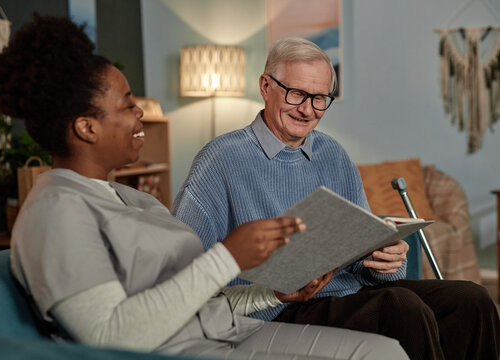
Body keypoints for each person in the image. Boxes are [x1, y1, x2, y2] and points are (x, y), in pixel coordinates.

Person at [0, 16, 409, 360]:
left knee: (391, 345)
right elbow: (109, 336)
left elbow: (195, 303)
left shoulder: (127, 198)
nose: (141, 115)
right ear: (86, 126)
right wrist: (228, 257)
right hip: (192, 346)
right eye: (128, 103)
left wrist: (273, 292)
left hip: (223, 327)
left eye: (321, 98)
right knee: (388, 336)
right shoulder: (56, 212)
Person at [173, 37, 500, 360]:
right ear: (265, 86)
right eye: (297, 93)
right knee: (400, 308)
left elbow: (360, 256)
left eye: (319, 98)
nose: (307, 110)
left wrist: (386, 260)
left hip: (347, 294)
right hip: (275, 308)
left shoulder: (333, 154)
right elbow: (187, 268)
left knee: (471, 299)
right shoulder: (220, 159)